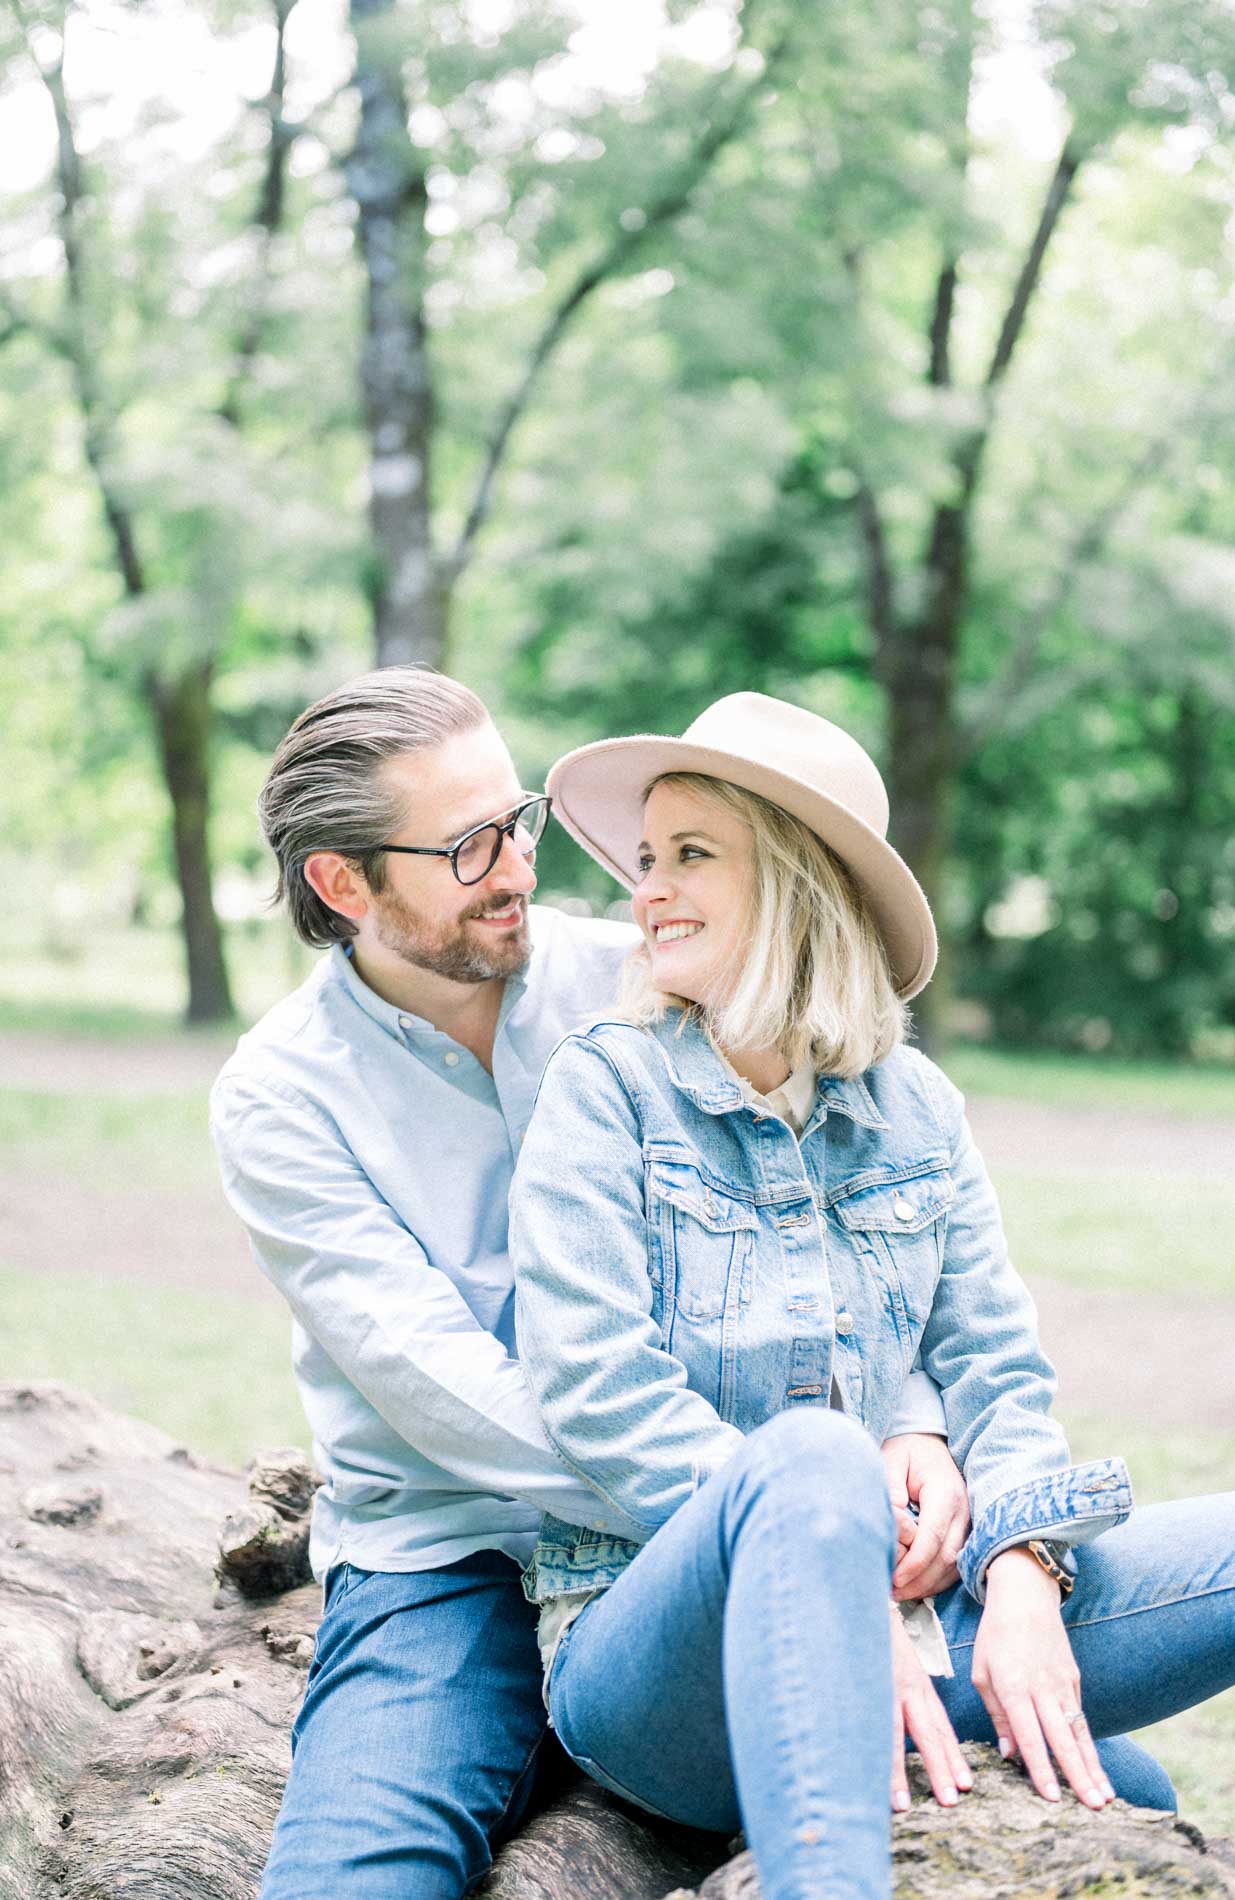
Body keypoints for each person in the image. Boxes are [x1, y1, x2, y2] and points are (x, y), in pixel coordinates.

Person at [210, 666, 986, 1899]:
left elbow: (860, 1233)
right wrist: (766, 1516)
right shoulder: (282, 1099)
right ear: (343, 882)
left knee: (1090, 1794)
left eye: (513, 821)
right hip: (453, 1552)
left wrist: (904, 1427)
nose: (519, 867)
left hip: (721, 1527)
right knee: (352, 1877)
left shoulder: (644, 972)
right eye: (467, 847)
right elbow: (448, 1395)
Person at [508, 691, 1235, 1900]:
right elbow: (596, 1390)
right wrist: (837, 1578)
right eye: (646, 858)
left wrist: (1022, 1573)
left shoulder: (917, 1108)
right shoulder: (607, 1091)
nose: (646, 888)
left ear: (805, 883)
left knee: (1148, 1763)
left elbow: (998, 1370)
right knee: (810, 1456)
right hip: (654, 1665)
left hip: (927, 1621)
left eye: (691, 854)